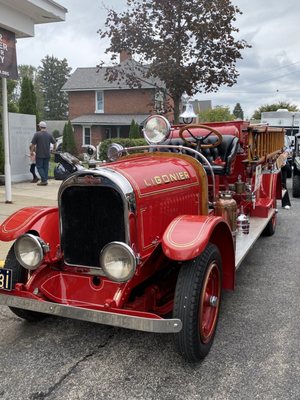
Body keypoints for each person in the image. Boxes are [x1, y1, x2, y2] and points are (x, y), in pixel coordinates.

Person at [30, 121, 56, 186]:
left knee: (39, 167)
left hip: (39, 154)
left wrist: (31, 152)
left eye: (38, 126)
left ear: (40, 127)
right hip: (47, 154)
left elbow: (33, 144)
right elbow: (55, 143)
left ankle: (44, 180)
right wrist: (53, 150)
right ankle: (45, 180)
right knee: (45, 167)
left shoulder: (37, 134)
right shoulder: (49, 135)